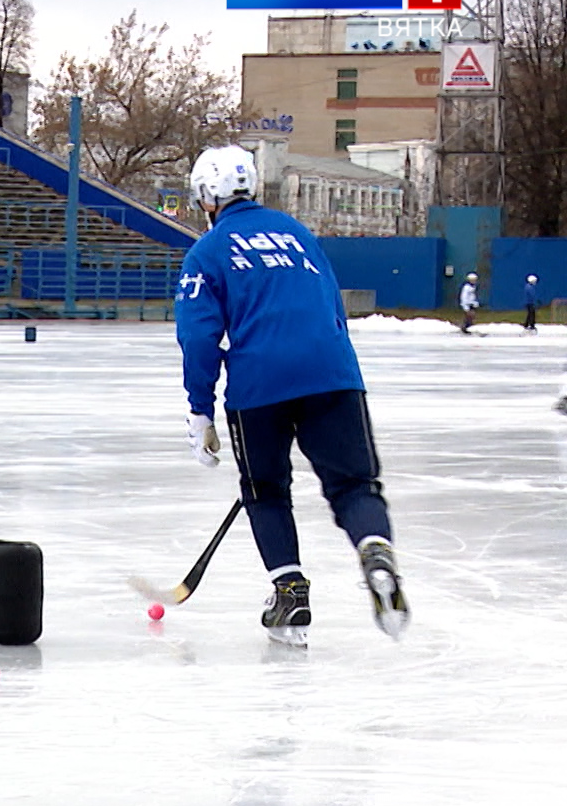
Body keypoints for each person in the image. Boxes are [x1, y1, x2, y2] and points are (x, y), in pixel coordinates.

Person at [174, 145, 409, 648]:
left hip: (259, 385)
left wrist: (200, 410)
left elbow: (199, 338)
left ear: (206, 197)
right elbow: (332, 306)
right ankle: (374, 547)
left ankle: (291, 592)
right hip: (333, 374)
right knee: (355, 487)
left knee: (266, 490)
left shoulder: (207, 252)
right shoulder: (299, 234)